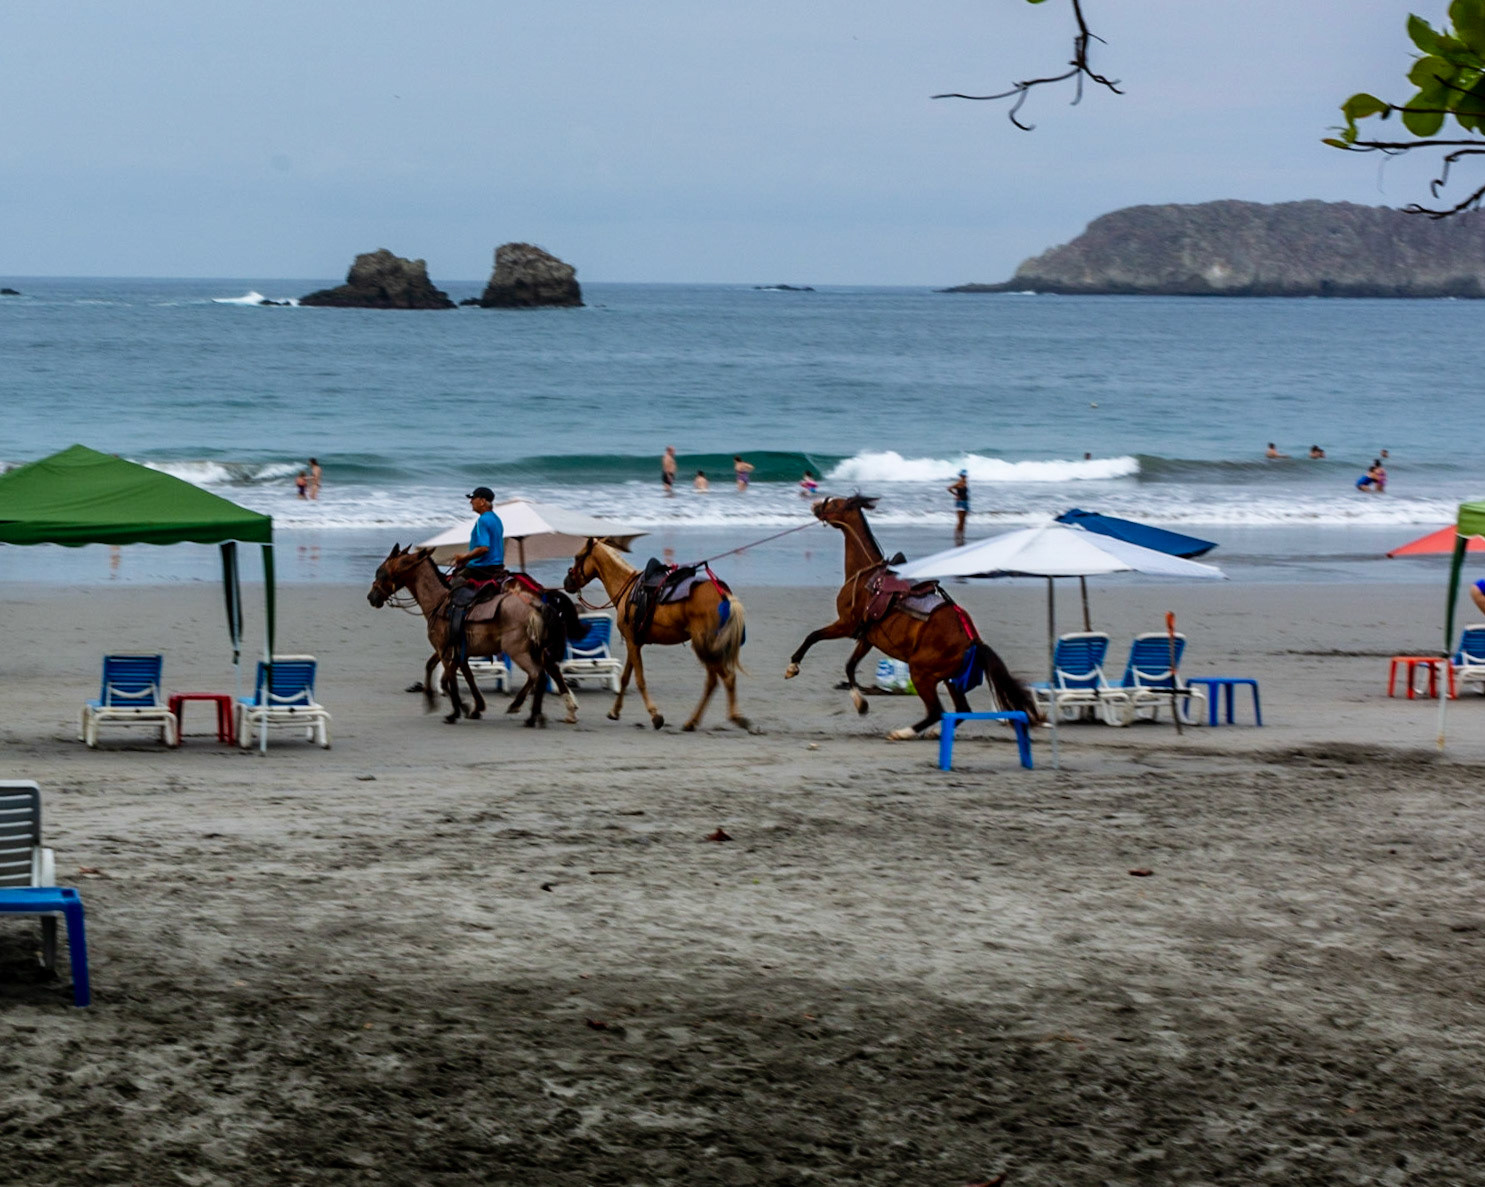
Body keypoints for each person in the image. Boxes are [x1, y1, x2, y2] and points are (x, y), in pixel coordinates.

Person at [451, 487, 506, 580]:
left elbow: (483, 548)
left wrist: (463, 557)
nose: (470, 502)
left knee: (454, 584)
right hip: (497, 566)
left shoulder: (482, 520)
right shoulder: (496, 519)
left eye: (473, 499)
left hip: (483, 567)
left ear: (482, 501)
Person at [948, 469, 970, 545]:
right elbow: (949, 488)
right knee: (960, 521)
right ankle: (957, 536)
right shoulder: (959, 483)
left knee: (964, 521)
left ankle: (962, 536)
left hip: (965, 503)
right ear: (960, 476)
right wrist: (956, 495)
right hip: (960, 503)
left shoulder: (965, 483)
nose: (964, 477)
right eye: (963, 475)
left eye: (965, 476)